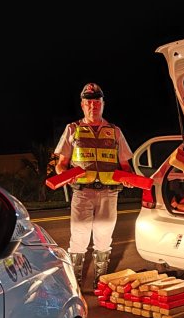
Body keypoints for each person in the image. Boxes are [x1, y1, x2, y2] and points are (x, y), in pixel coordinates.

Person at [54, 82, 136, 289]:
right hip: (82, 193)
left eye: (96, 102)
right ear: (82, 105)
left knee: (104, 239)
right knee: (79, 239)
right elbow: (61, 165)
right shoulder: (73, 129)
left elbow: (126, 165)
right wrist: (64, 176)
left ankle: (101, 284)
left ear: (103, 104)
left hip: (109, 194)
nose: (93, 106)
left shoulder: (115, 131)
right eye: (89, 102)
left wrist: (130, 179)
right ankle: (75, 286)